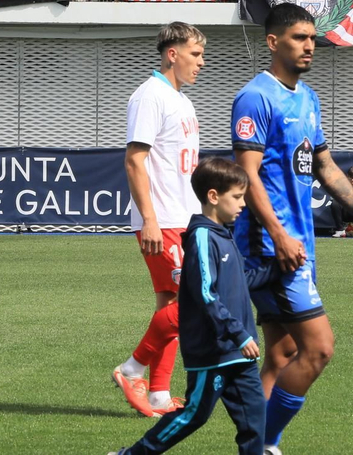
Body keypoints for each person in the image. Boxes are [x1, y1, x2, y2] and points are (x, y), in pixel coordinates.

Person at [231, 5, 353, 454]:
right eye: (299, 38)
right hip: (270, 247)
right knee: (319, 349)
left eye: (312, 38)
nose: (310, 46)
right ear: (273, 42)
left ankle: (258, 444)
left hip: (298, 243)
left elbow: (324, 166)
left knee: (283, 354)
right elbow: (245, 177)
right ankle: (263, 445)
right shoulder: (256, 98)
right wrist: (280, 235)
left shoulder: (307, 98)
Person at [107, 157, 272, 455]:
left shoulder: (224, 234)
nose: (243, 204)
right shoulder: (202, 237)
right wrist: (239, 334)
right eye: (237, 197)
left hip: (239, 352)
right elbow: (206, 295)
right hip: (215, 351)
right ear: (213, 196)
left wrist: (281, 270)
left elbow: (240, 281)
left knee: (255, 418)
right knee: (192, 415)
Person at [114, 23, 206, 419]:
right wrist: (149, 220)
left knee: (171, 303)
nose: (201, 63)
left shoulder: (179, 99)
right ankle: (131, 369)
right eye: (196, 54)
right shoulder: (150, 96)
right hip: (164, 218)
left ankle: (157, 396)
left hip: (185, 216)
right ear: (172, 54)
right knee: (192, 303)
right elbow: (135, 160)